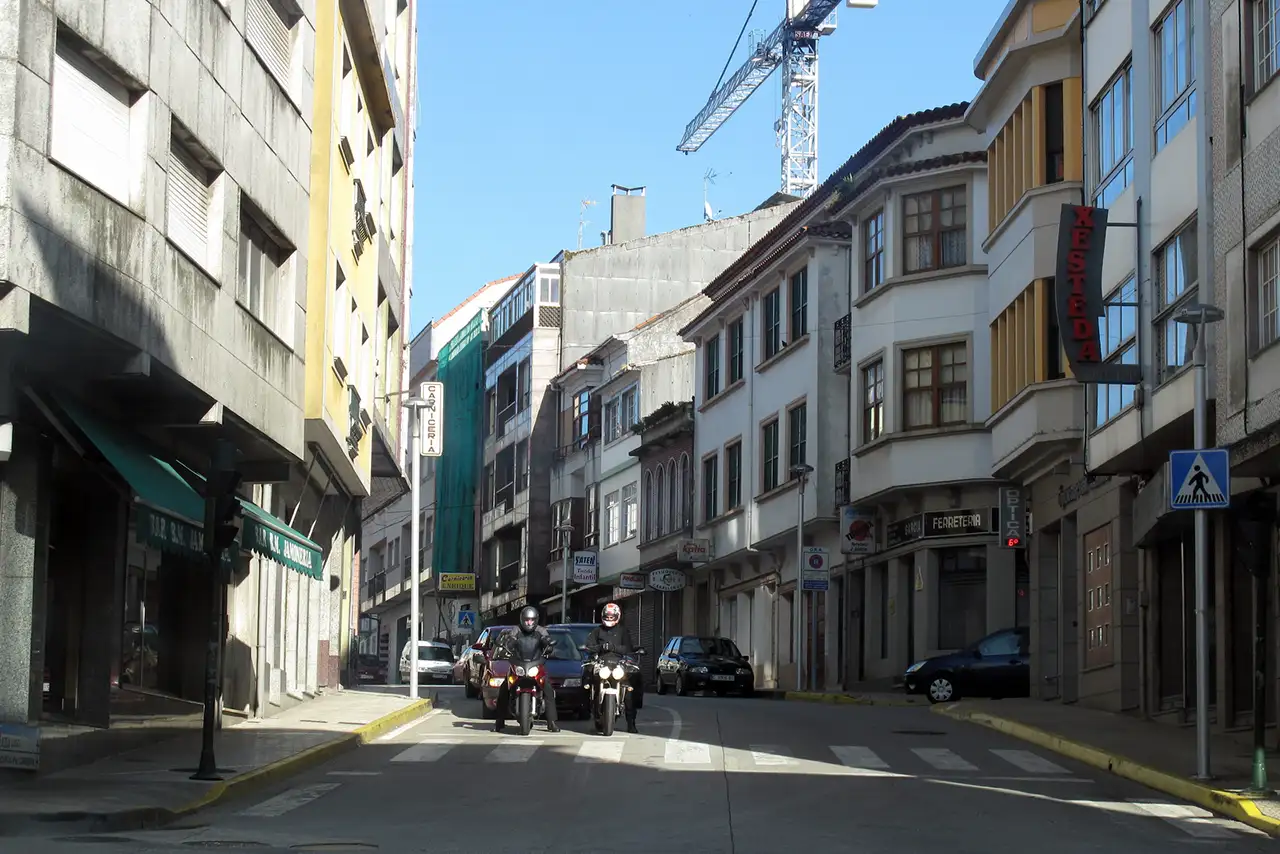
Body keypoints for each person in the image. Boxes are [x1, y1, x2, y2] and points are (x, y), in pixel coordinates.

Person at [493, 606, 560, 733]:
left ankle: (552, 722)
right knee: (503, 689)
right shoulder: (516, 630)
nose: (529, 623)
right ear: (522, 619)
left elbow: (546, 640)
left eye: (531, 620)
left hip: (536, 665)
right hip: (518, 664)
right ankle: (499, 722)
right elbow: (510, 640)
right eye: (527, 620)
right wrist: (507, 645)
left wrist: (548, 644)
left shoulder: (541, 631)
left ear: (536, 620)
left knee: (548, 690)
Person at [583, 602, 640, 734]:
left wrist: (614, 648)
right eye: (607, 617)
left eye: (611, 617)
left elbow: (628, 648)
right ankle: (595, 714)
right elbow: (588, 646)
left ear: (617, 616)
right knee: (591, 683)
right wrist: (599, 648)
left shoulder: (623, 631)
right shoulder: (597, 631)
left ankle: (631, 723)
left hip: (618, 664)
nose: (609, 619)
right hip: (602, 663)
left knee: (630, 692)